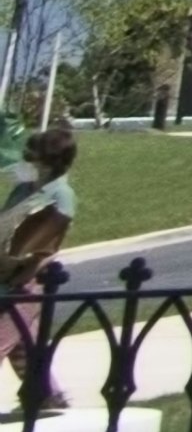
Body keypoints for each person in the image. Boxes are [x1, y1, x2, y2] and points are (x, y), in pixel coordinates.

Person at [0, 118, 77, 403]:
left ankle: (45, 397)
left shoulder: (61, 197)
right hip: (3, 274)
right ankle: (46, 397)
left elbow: (46, 245)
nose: (25, 162)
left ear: (49, 163)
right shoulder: (23, 190)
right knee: (25, 345)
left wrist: (26, 273)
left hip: (24, 282)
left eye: (31, 158)